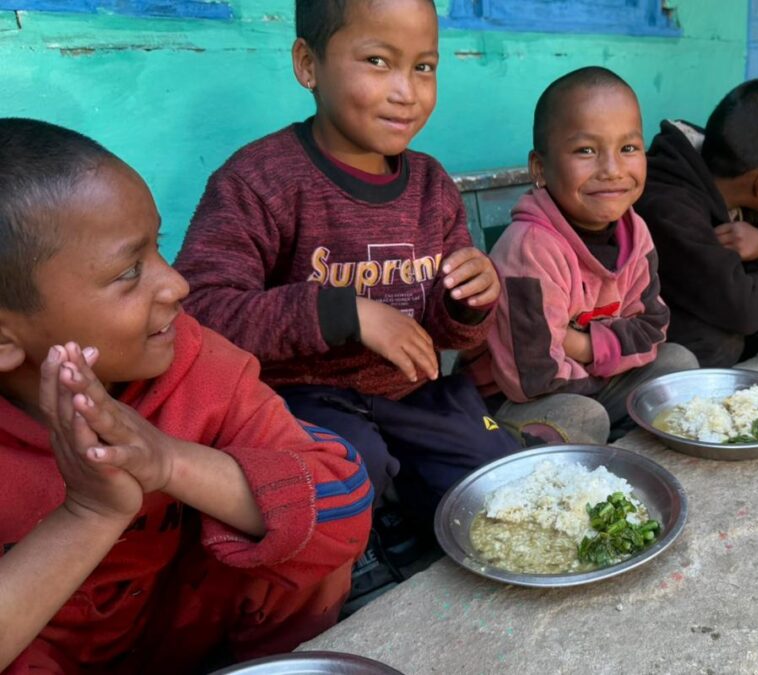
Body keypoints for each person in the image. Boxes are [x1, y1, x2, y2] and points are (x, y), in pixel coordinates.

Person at [173, 0, 519, 608]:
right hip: (301, 398)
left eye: (424, 67)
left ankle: (394, 513)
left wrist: (468, 301)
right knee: (347, 465)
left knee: (492, 474)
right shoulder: (260, 179)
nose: (405, 92)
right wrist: (344, 313)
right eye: (378, 61)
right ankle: (364, 542)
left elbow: (451, 338)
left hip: (408, 392)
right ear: (308, 64)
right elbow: (200, 312)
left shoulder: (431, 184)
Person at [0, 118, 370, 674]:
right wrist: (89, 514)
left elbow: (344, 505)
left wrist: (168, 461)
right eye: (129, 272)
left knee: (297, 528)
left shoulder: (192, 362)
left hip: (188, 631)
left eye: (159, 248)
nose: (177, 284)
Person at [465, 67, 698, 444]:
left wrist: (582, 344)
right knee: (583, 418)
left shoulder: (635, 232)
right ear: (540, 168)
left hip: (590, 379)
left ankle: (614, 444)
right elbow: (533, 377)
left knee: (678, 365)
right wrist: (611, 356)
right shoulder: (530, 249)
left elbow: (653, 328)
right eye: (586, 150)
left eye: (628, 148)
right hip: (508, 405)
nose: (612, 169)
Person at [635, 79, 758, 367]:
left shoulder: (744, 188)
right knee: (715, 339)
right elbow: (744, 311)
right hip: (664, 346)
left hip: (729, 312)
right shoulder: (668, 205)